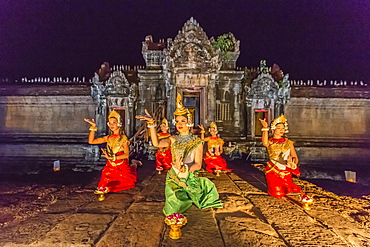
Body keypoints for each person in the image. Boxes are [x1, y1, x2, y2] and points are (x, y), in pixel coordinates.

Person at [136, 93, 222, 216]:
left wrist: (184, 169)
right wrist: (152, 124)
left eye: (183, 121)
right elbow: (156, 143)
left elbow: (198, 165)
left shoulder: (197, 142)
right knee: (172, 207)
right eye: (177, 121)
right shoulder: (173, 139)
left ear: (189, 122)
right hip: (173, 177)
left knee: (191, 203)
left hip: (189, 177)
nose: (179, 124)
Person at [84, 110, 137, 201]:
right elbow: (91, 141)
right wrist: (93, 127)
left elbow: (126, 155)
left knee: (129, 182)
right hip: (110, 165)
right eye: (110, 123)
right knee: (104, 180)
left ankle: (134, 164)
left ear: (119, 124)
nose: (112, 125)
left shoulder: (123, 138)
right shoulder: (108, 138)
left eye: (114, 122)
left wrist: (112, 157)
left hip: (121, 164)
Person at [259, 115, 312, 203]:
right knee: (277, 193)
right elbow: (264, 142)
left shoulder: (288, 142)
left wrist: (293, 164)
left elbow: (295, 157)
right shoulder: (270, 141)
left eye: (283, 128)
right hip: (273, 170)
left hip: (285, 170)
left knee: (289, 189)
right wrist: (265, 127)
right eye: (279, 128)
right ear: (273, 129)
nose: (281, 130)